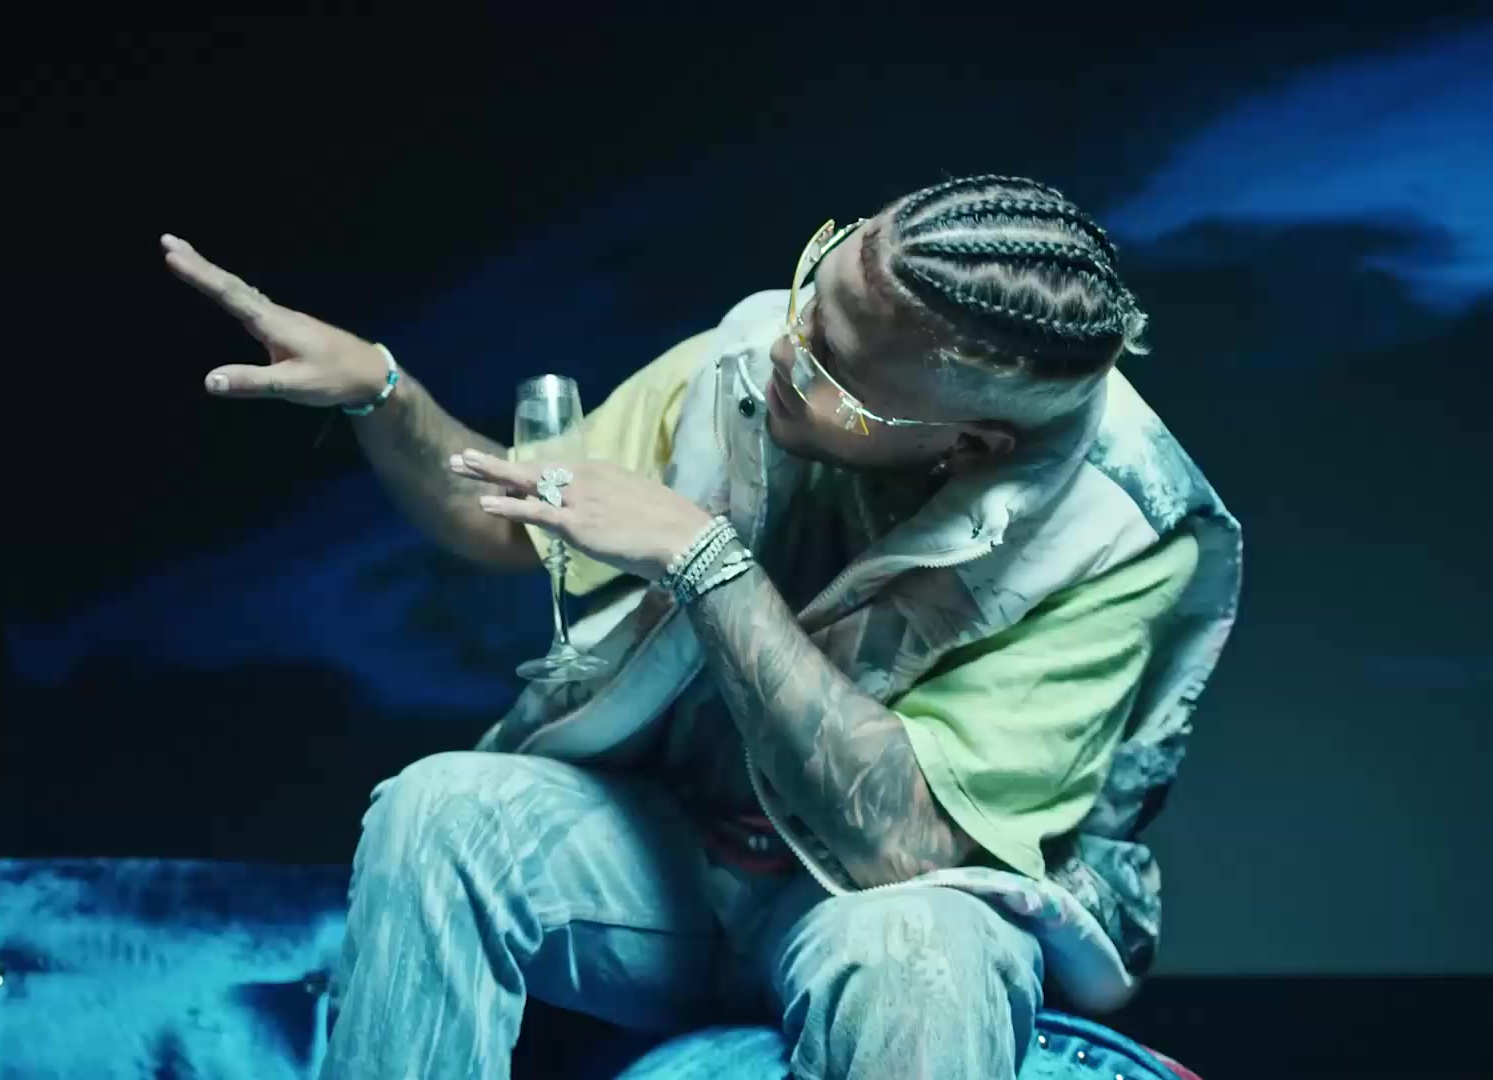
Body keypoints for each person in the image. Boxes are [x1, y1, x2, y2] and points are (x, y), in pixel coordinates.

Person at [160, 174, 1241, 1079]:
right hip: (673, 863)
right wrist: (382, 391)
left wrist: (707, 565)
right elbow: (512, 518)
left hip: (868, 905)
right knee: (442, 807)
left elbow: (903, 849)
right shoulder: (758, 351)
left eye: (828, 366)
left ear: (970, 444)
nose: (784, 345)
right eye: (814, 279)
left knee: (922, 948)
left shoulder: (1123, 533)